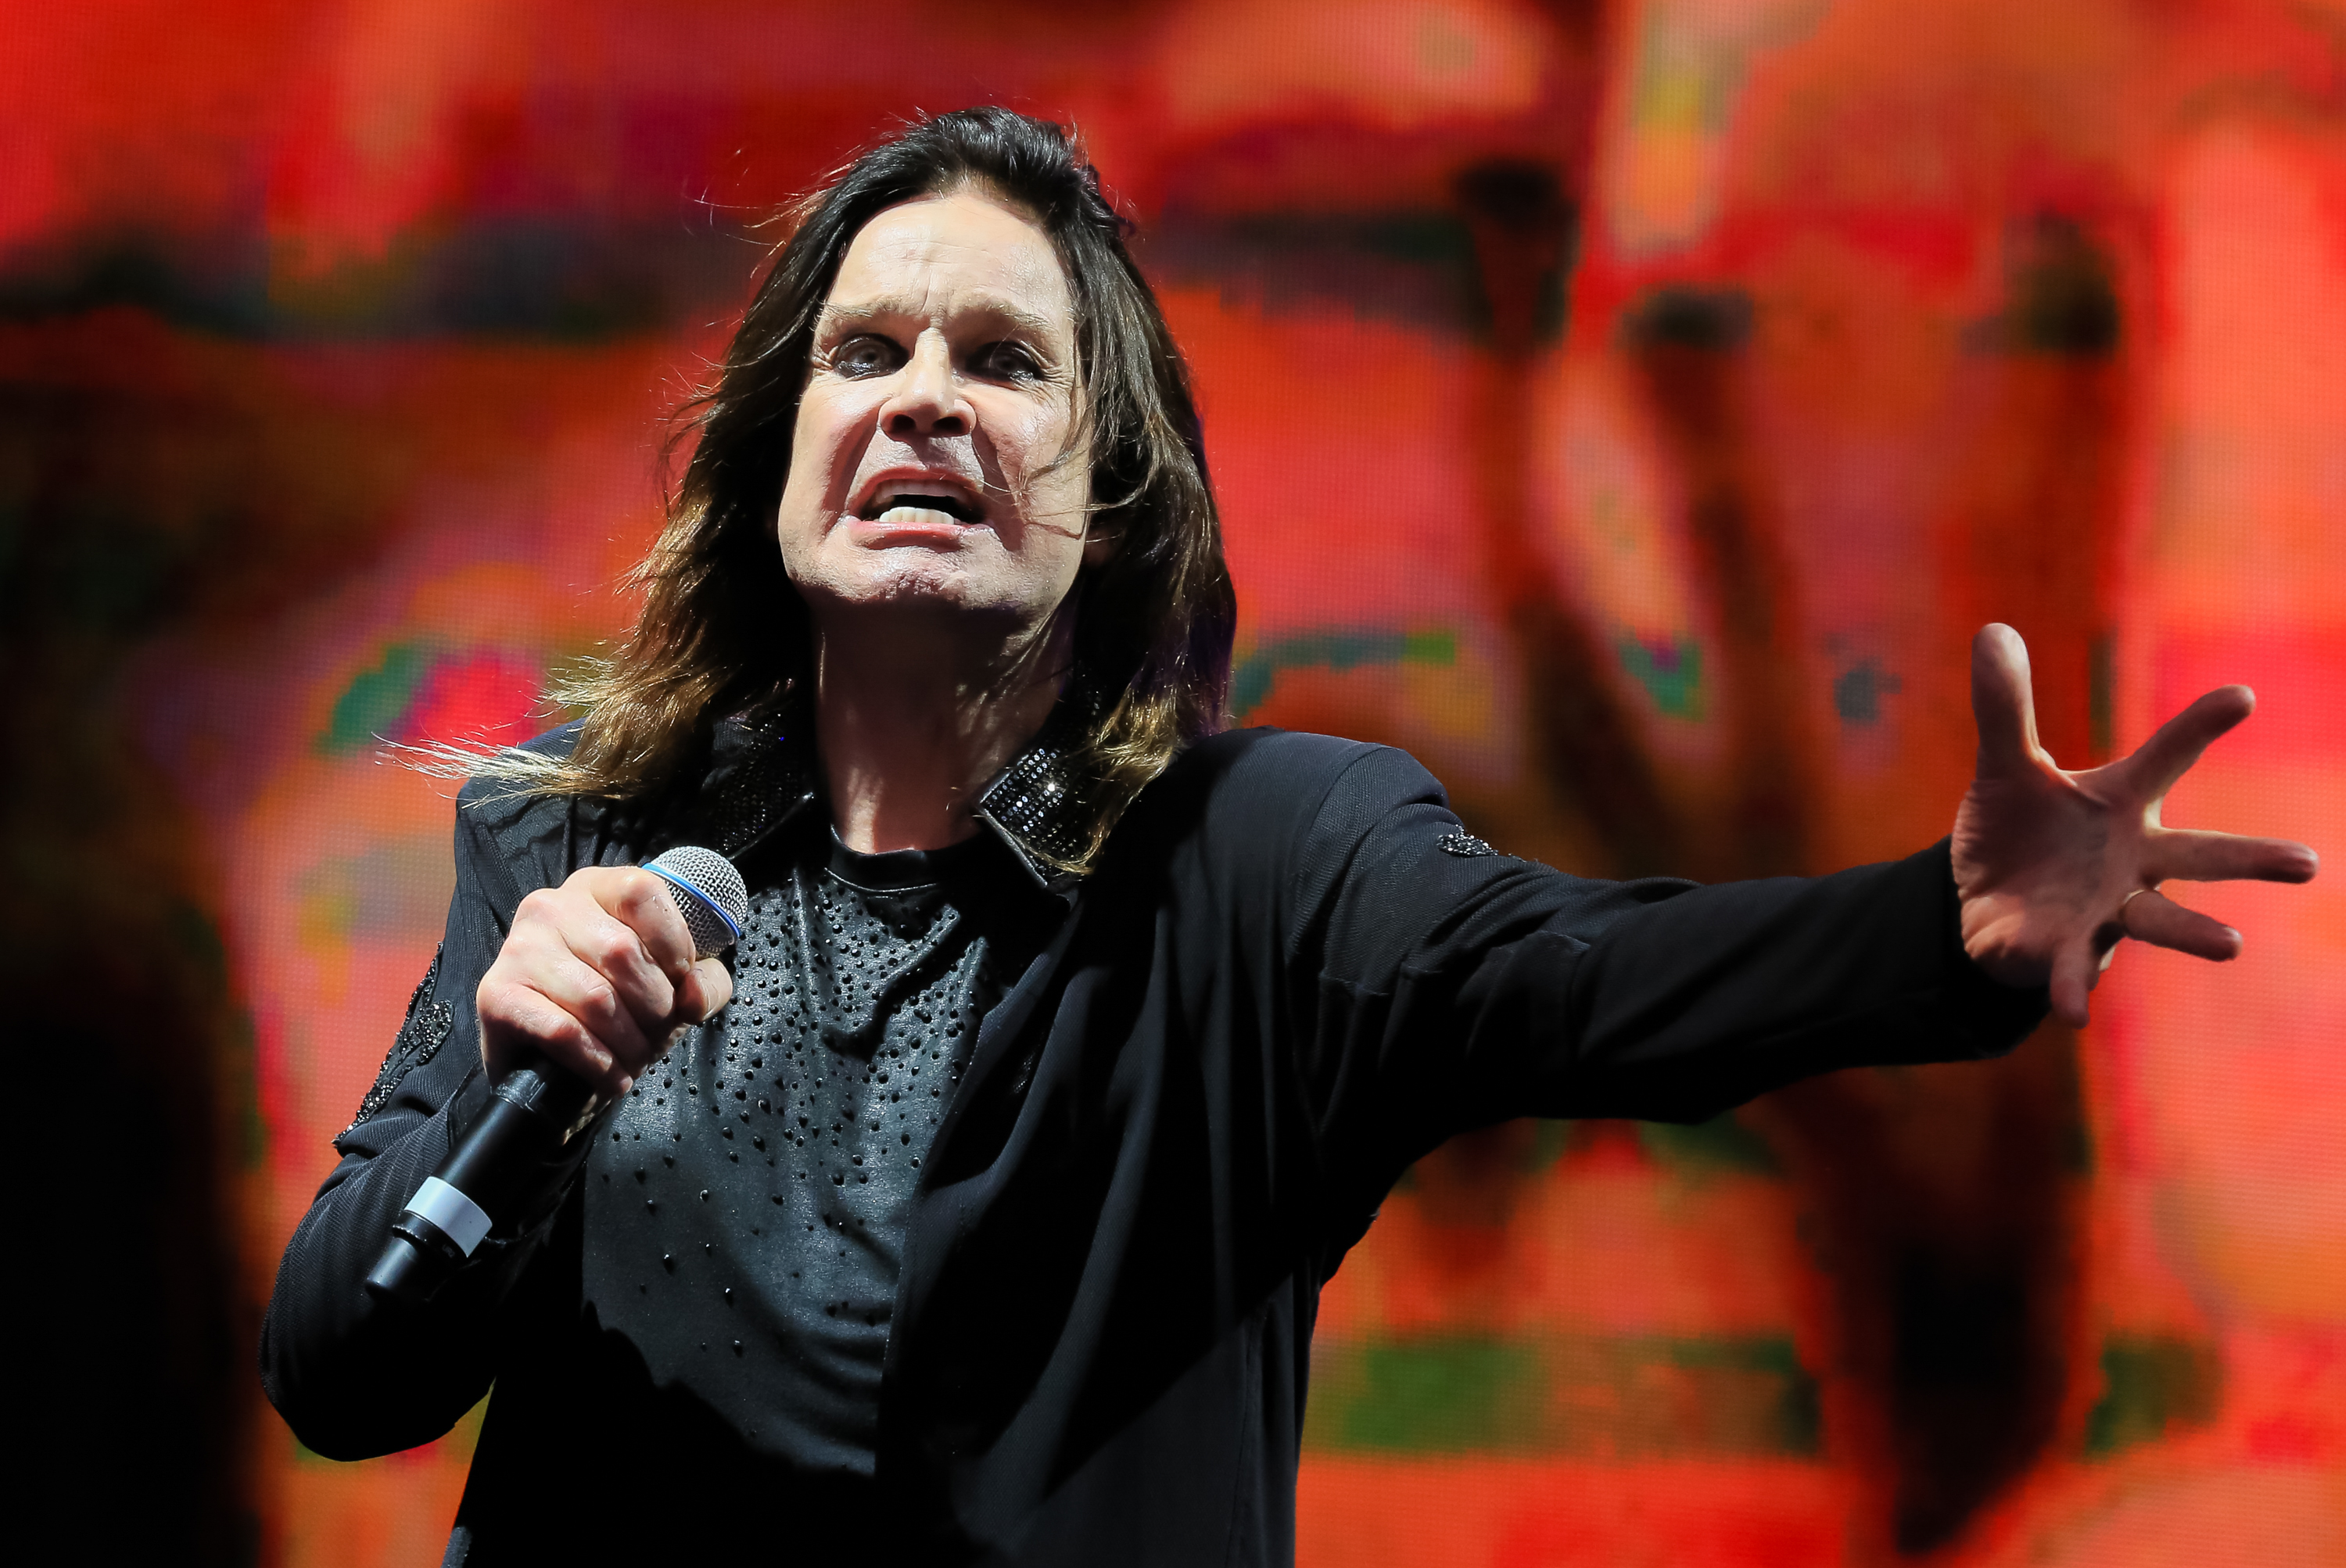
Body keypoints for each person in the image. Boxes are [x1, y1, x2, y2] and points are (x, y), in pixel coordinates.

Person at [260, 109, 2316, 1566]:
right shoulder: (574, 856)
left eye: (1003, 362)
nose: (919, 400)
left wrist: (1930, 932)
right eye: (864, 354)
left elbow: (1575, 989)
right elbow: (343, 1372)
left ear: (1110, 496)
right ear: (773, 459)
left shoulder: (1255, 866)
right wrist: (506, 1110)